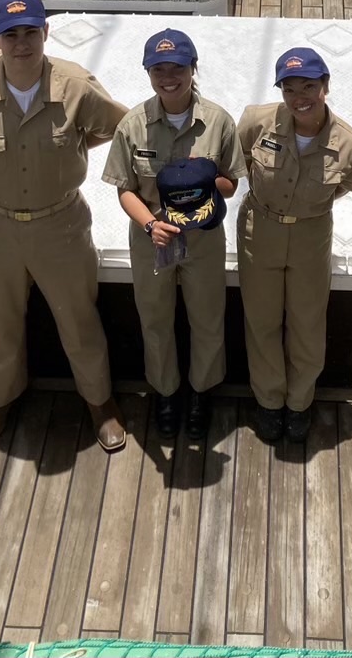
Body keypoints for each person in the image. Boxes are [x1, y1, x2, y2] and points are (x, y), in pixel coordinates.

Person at [0, 0, 128, 453]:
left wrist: (69, 154)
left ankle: (99, 403)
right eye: (10, 34)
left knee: (78, 318)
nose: (22, 43)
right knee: (1, 322)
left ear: (45, 32)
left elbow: (118, 127)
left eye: (30, 32)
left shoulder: (77, 85)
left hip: (60, 223)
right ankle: (0, 399)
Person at [102, 28, 243, 439]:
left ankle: (200, 392)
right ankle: (166, 392)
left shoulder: (218, 122)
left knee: (207, 319)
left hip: (203, 241)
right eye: (158, 68)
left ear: (192, 68)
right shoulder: (132, 125)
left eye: (177, 67)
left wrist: (204, 183)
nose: (169, 77)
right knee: (155, 320)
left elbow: (232, 182)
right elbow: (124, 188)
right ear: (148, 73)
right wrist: (149, 224)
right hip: (152, 242)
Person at [236, 47, 352, 444]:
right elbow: (240, 156)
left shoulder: (349, 144)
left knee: (308, 324)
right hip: (259, 228)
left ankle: (299, 403)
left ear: (325, 87)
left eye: (309, 86)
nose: (300, 97)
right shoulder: (255, 121)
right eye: (289, 88)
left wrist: (309, 204)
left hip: (311, 235)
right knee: (261, 322)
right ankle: (269, 402)